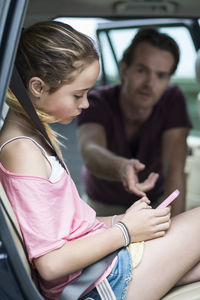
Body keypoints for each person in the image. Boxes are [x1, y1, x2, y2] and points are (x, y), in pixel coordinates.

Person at [0, 20, 200, 300]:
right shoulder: (23, 151)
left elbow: (72, 228)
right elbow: (51, 264)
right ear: (37, 87)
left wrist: (123, 219)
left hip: (99, 271)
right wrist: (126, 231)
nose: (85, 103)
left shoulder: (29, 141)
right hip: (99, 283)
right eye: (78, 95)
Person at [77, 28, 192, 217]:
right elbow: (90, 151)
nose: (150, 83)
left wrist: (176, 225)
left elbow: (174, 168)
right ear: (124, 70)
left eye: (161, 75)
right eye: (141, 70)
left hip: (152, 202)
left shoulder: (173, 100)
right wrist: (122, 167)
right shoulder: (98, 101)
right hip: (102, 207)